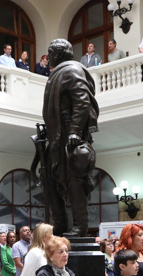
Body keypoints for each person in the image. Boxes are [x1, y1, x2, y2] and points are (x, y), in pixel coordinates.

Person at [38, 38, 99, 237]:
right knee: (48, 178)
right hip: (57, 137)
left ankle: (80, 226)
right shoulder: (58, 73)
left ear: (60, 53)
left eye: (51, 52)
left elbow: (82, 102)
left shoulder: (71, 70)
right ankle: (60, 223)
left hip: (69, 136)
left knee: (75, 180)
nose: (49, 56)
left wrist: (74, 130)